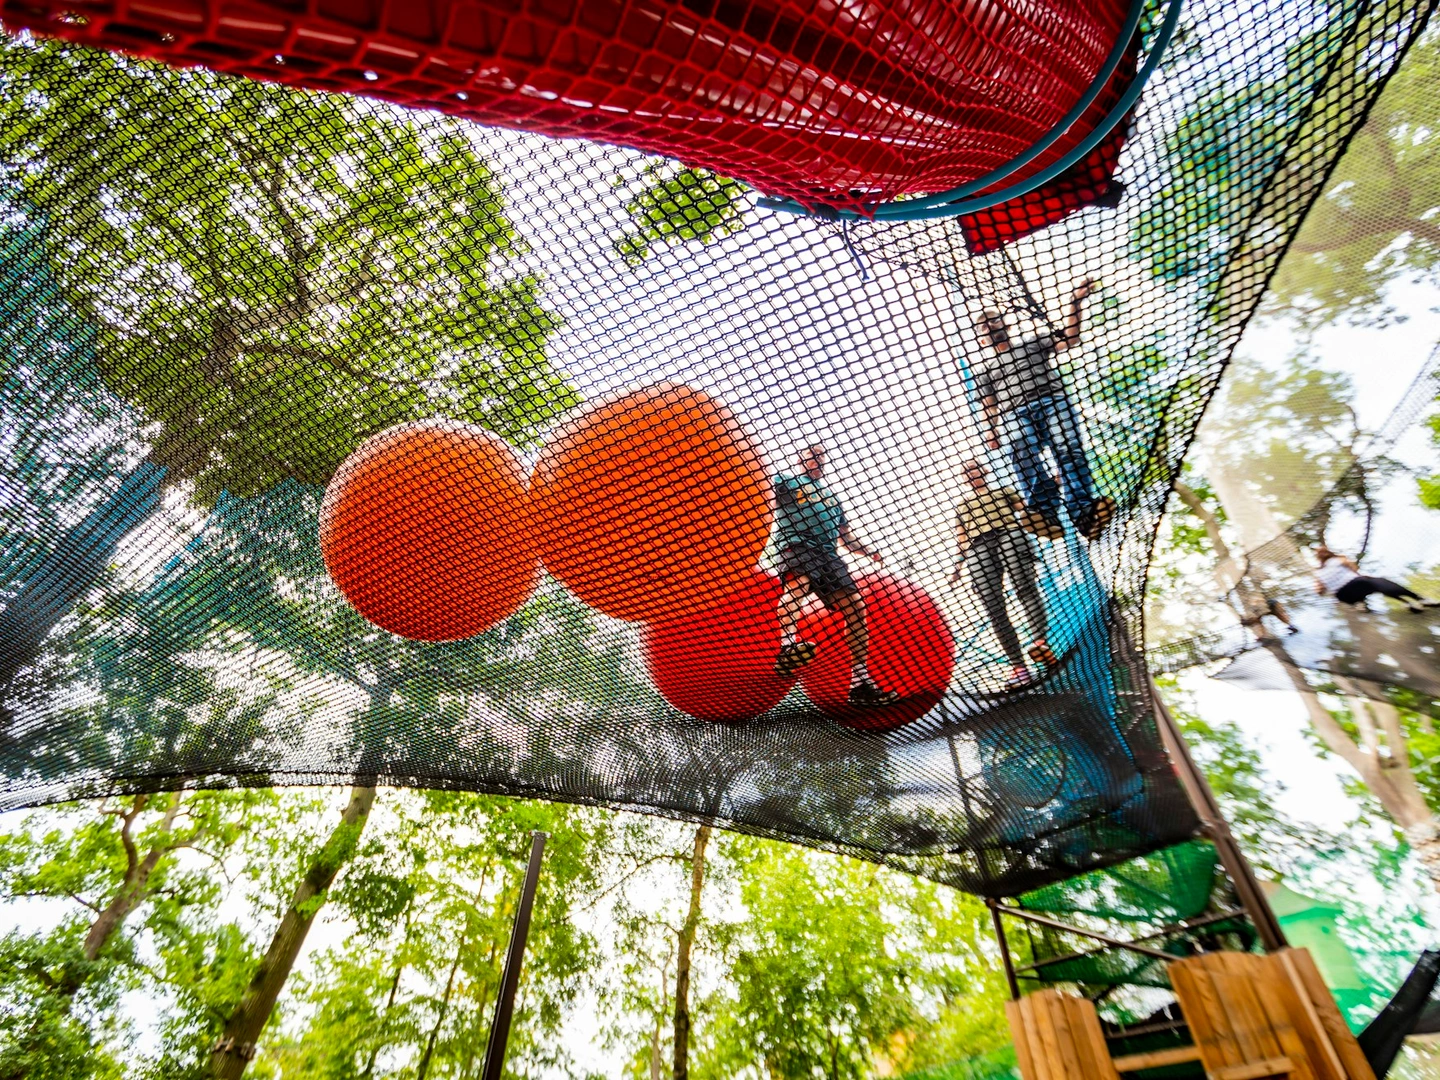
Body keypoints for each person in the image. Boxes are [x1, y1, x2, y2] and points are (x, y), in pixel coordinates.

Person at [972, 279, 1115, 541]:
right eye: (983, 326)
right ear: (981, 340)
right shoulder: (984, 372)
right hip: (1013, 412)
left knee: (1068, 450)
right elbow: (988, 405)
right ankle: (1044, 513)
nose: (989, 326)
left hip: (1052, 402)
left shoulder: (1033, 343)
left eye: (993, 320)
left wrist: (1075, 302)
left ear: (1006, 325)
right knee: (1020, 450)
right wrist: (991, 431)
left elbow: (1070, 338)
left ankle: (1084, 514)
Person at [771, 444, 898, 707]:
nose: (817, 460)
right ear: (800, 459)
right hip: (797, 544)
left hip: (829, 555)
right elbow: (761, 493)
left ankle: (860, 682)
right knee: (798, 586)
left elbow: (847, 538)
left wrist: (870, 551)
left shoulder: (832, 497)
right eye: (811, 456)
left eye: (821, 456)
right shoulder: (786, 480)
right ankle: (787, 646)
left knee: (855, 606)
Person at [949, 458, 1060, 689]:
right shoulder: (962, 506)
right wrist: (957, 567)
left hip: (1009, 533)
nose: (970, 473)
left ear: (984, 471)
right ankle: (1019, 668)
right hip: (977, 547)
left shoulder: (1003, 491)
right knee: (993, 606)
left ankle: (1040, 642)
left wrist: (1051, 488)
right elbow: (961, 539)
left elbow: (1027, 511)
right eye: (965, 472)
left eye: (973, 468)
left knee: (1024, 586)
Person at [1313, 546, 1437, 613]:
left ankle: (1359, 603)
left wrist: (1329, 587)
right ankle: (1419, 599)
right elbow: (1354, 570)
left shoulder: (1318, 573)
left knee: (1371, 587)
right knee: (1380, 584)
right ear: (1329, 553)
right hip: (1356, 583)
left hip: (1342, 596)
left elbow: (1319, 590)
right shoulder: (1339, 559)